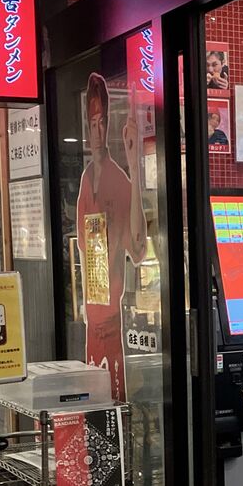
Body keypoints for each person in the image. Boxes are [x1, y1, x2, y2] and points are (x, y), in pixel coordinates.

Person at [76, 72, 148, 403]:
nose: (96, 131)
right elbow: (84, 250)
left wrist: (134, 165)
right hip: (91, 323)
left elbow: (138, 247)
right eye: (92, 124)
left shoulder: (119, 181)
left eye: (102, 123)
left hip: (111, 323)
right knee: (95, 406)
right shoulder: (86, 178)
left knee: (113, 403)